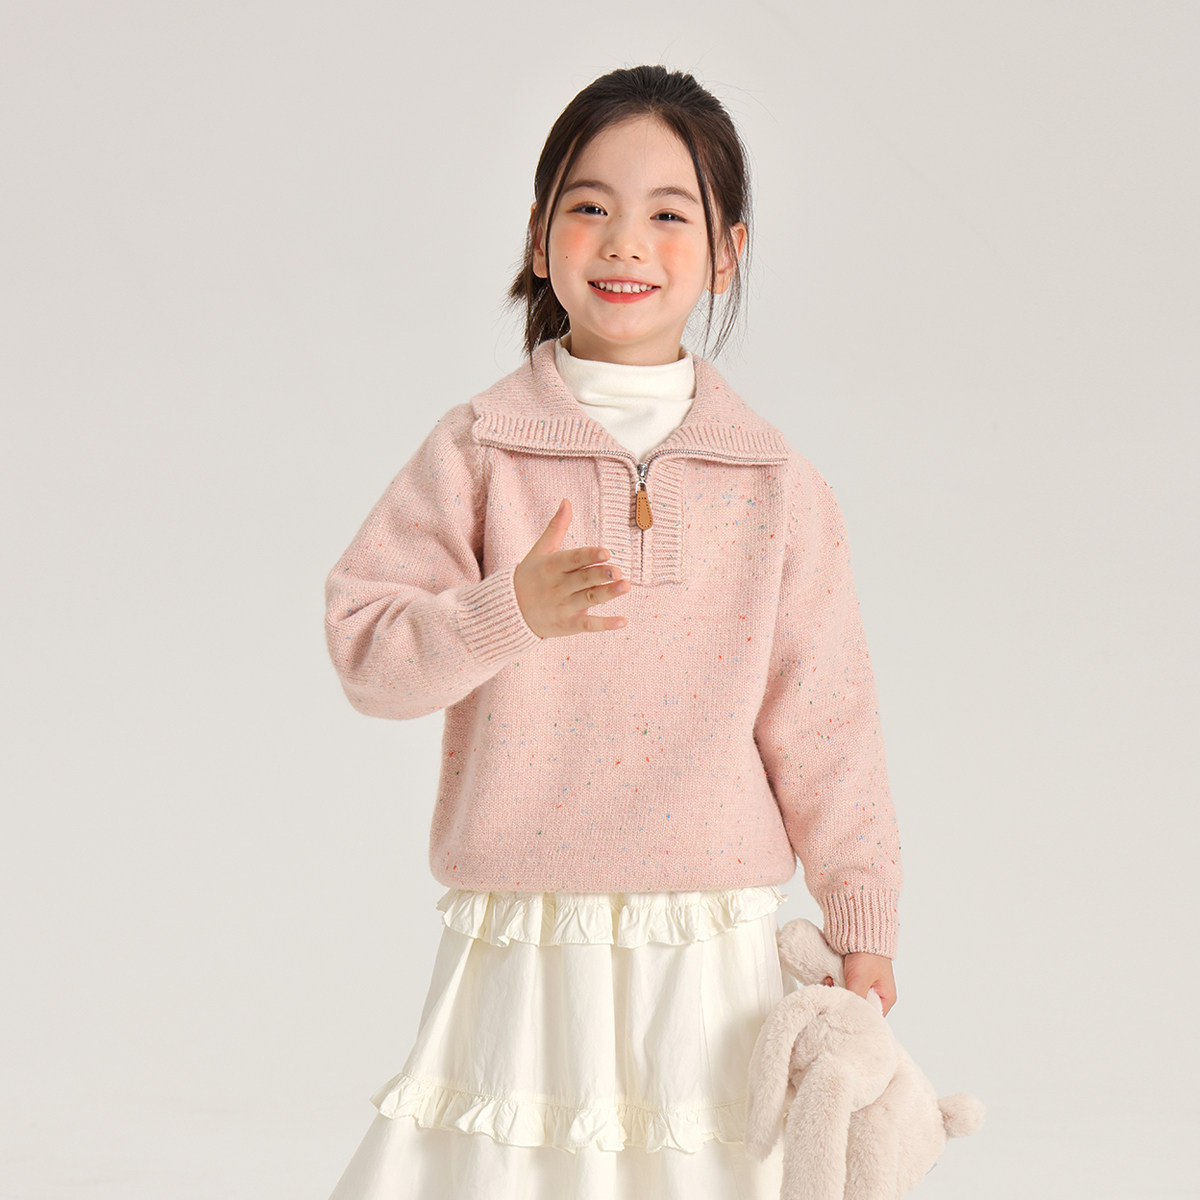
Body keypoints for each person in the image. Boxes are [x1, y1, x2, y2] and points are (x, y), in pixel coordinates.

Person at [323, 64, 903, 1200]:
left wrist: (861, 913)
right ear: (540, 239)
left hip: (711, 952)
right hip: (527, 944)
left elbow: (827, 718)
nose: (625, 240)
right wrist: (507, 612)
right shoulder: (480, 450)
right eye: (589, 205)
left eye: (669, 214)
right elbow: (367, 653)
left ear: (727, 252)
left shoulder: (776, 484)